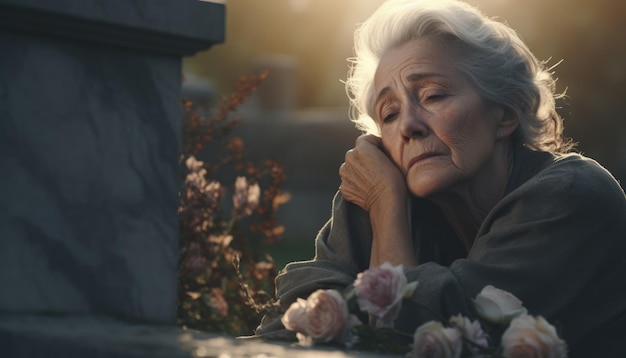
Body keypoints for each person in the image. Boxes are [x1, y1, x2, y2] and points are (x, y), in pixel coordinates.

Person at [255, 0, 626, 356]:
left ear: (504, 113)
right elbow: (291, 315)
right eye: (389, 113)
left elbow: (418, 340)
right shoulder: (385, 183)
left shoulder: (571, 195)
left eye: (433, 95)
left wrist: (386, 204)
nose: (409, 126)